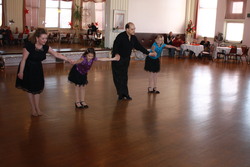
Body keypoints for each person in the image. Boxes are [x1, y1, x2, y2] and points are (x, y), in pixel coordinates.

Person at [15, 28, 74, 117]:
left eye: (46, 38)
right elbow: (23, 60)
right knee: (30, 89)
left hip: (37, 68)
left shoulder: (46, 47)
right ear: (37, 38)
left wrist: (68, 59)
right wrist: (21, 72)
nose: (45, 40)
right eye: (43, 38)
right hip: (27, 68)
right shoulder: (29, 46)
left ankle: (38, 108)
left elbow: (57, 54)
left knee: (37, 89)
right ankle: (33, 109)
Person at [111, 22, 156, 100]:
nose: (134, 30)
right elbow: (115, 47)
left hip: (126, 59)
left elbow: (139, 47)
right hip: (117, 59)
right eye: (132, 29)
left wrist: (148, 53)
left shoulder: (133, 38)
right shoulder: (120, 36)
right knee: (117, 77)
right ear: (127, 29)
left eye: (134, 29)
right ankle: (120, 94)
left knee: (124, 76)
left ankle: (125, 94)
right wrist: (116, 54)